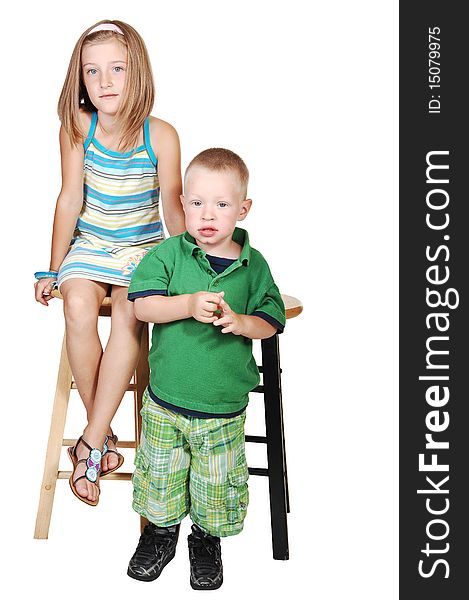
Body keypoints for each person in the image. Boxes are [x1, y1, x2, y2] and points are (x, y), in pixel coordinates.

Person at [33, 20, 185, 507]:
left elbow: (173, 207)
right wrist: (52, 269)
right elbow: (69, 199)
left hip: (144, 250)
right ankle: (101, 434)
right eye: (92, 71)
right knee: (76, 306)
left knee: (128, 313)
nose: (104, 82)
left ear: (136, 72)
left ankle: (90, 444)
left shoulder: (160, 135)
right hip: (92, 246)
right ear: (80, 79)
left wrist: (189, 268)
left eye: (116, 69)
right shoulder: (78, 127)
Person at [126, 148, 285, 589]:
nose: (207, 215)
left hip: (222, 407)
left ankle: (206, 539)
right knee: (161, 475)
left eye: (221, 204)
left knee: (216, 483)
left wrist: (242, 323)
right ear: (183, 205)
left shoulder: (253, 267)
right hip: (166, 401)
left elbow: (272, 319)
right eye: (196, 203)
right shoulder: (169, 255)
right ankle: (160, 536)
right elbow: (142, 306)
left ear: (242, 209)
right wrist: (188, 304)